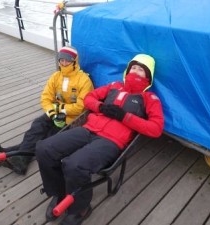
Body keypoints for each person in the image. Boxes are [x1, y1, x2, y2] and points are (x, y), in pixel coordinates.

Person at [35, 54, 164, 225]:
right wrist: (100, 106)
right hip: (88, 130)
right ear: (127, 69)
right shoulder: (114, 86)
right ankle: (59, 192)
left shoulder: (150, 99)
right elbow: (89, 98)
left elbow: (156, 129)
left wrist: (125, 117)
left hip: (111, 141)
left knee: (74, 164)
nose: (136, 71)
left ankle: (80, 208)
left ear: (148, 76)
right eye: (133, 67)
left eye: (141, 69)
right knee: (44, 148)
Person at [0, 46, 94, 175]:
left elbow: (81, 106)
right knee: (36, 127)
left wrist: (59, 110)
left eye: (68, 60)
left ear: (74, 61)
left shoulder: (84, 80)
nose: (64, 63)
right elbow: (46, 97)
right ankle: (17, 160)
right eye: (61, 60)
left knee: (46, 139)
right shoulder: (55, 77)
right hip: (54, 114)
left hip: (72, 120)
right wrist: (52, 113)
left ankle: (7, 154)